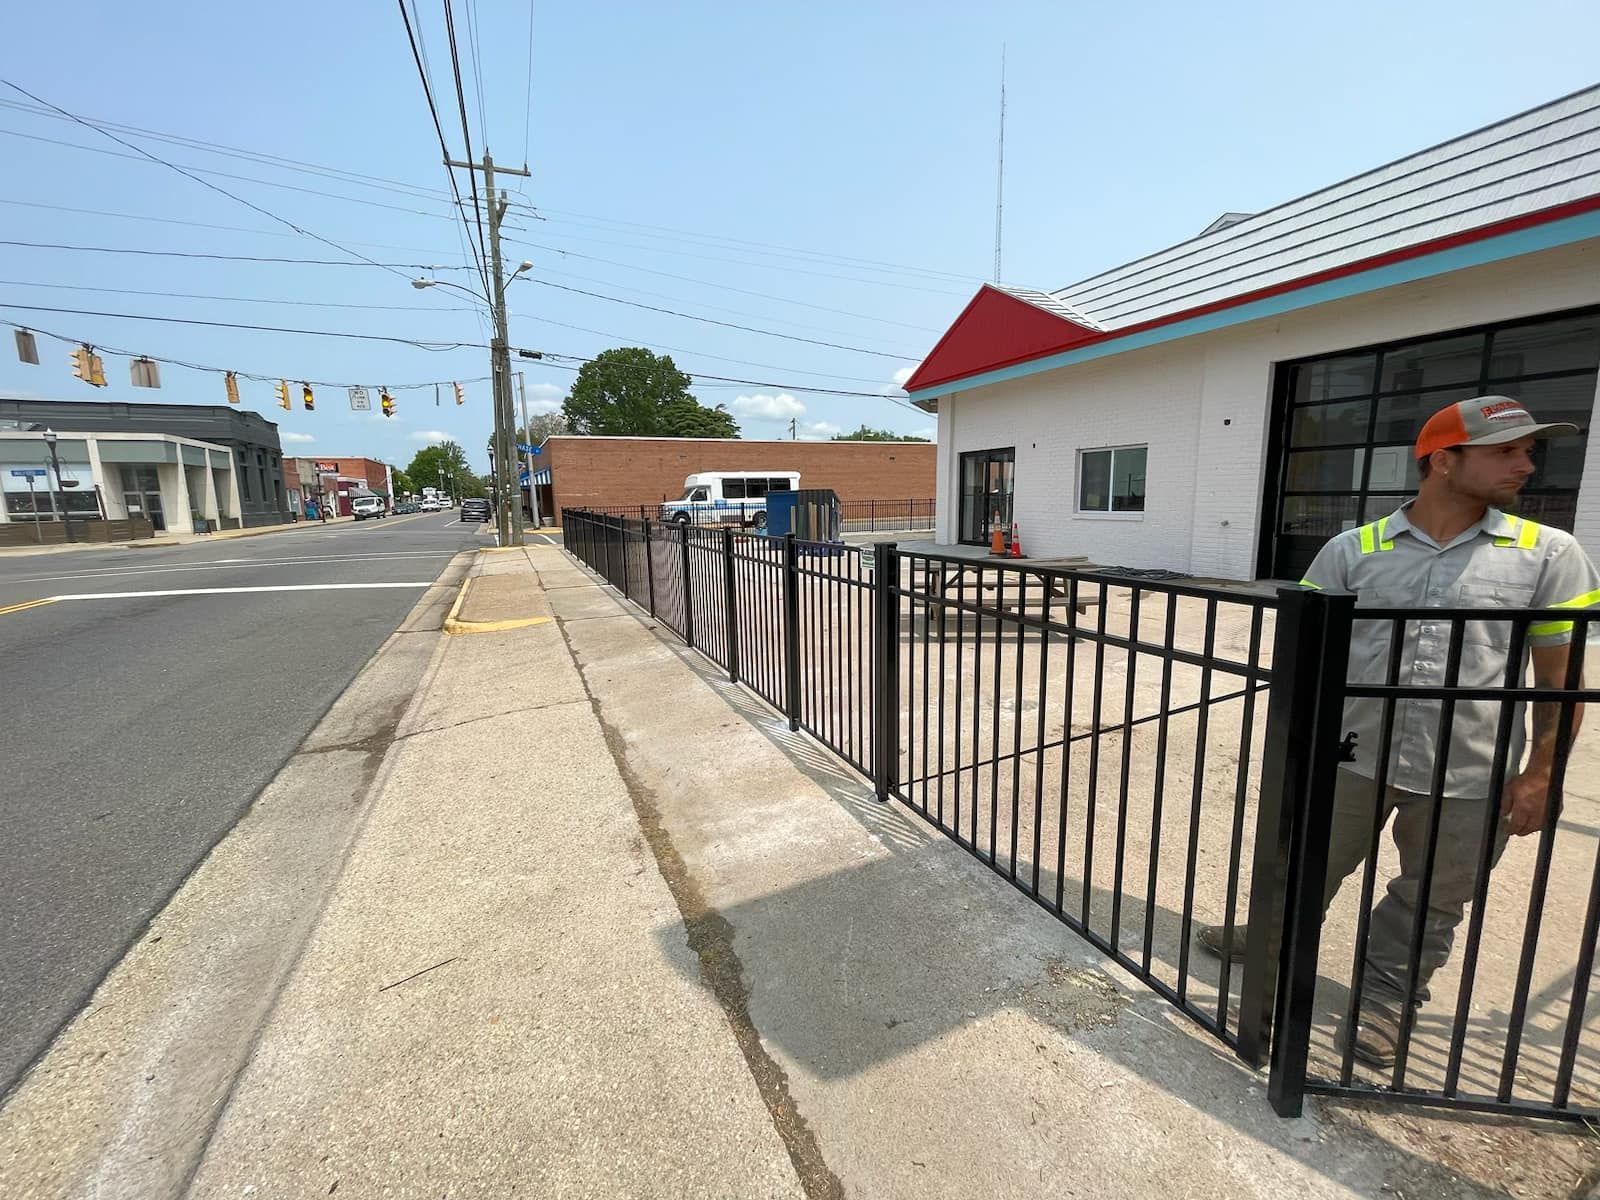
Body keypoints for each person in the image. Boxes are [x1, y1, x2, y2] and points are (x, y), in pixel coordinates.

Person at [1197, 396, 1598, 1067]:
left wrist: (1540, 773)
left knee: (1431, 898)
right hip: (1350, 754)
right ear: (1444, 460)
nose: (1526, 464)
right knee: (1301, 869)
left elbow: (1559, 680)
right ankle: (1267, 964)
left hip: (1471, 770)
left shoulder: (1548, 555)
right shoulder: (1352, 551)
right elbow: (1306, 658)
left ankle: (1385, 1000)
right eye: (1506, 450)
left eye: (1529, 450)